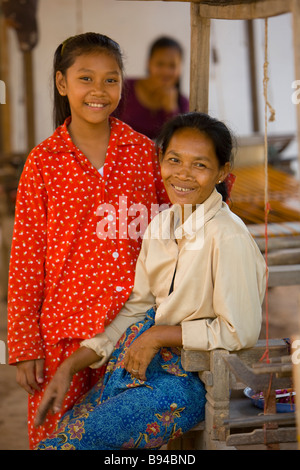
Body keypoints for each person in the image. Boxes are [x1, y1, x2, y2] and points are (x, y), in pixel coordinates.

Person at [34, 112, 267, 451]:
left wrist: (158, 335)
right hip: (141, 369)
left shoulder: (227, 237)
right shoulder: (160, 226)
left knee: (80, 442)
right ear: (160, 160)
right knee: (68, 429)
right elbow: (136, 309)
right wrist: (70, 365)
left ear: (222, 172)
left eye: (199, 165)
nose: (183, 174)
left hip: (190, 381)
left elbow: (239, 330)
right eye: (174, 160)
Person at [7, 32, 169, 449]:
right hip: (64, 336)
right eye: (85, 78)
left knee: (130, 443)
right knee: (61, 438)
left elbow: (176, 229)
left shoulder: (144, 153)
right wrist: (25, 345)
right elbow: (26, 259)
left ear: (122, 85)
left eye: (110, 80)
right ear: (62, 83)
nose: (99, 91)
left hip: (135, 333)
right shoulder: (43, 163)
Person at [114, 36, 189, 140]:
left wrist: (171, 110)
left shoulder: (183, 103)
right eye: (160, 64)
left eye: (172, 66)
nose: (166, 71)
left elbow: (179, 142)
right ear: (149, 63)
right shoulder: (125, 88)